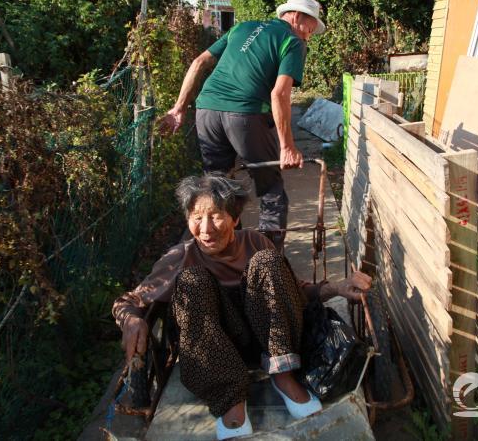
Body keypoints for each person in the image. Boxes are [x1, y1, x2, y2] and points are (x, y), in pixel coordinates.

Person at [112, 174, 372, 440]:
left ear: (235, 219)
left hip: (268, 343)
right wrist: (131, 319)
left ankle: (283, 375)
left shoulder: (255, 242)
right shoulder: (182, 256)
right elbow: (129, 301)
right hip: (215, 353)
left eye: (215, 215)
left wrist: (337, 288)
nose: (206, 228)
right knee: (192, 280)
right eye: (196, 217)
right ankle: (230, 398)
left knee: (268, 261)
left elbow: (296, 290)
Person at [158, 0, 326, 249]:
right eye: (311, 27)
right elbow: (279, 94)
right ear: (297, 16)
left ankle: (224, 257)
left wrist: (179, 108)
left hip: (207, 111)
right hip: (246, 115)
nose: (310, 35)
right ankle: (268, 264)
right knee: (271, 190)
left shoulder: (241, 27)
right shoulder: (292, 41)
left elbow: (198, 62)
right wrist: (287, 146)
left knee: (217, 189)